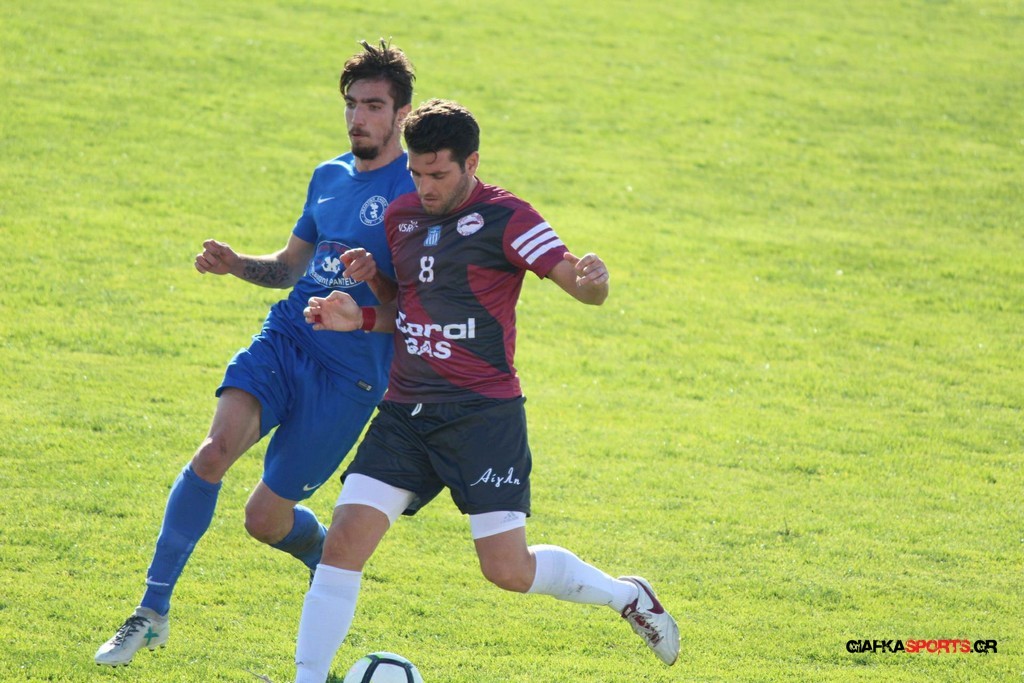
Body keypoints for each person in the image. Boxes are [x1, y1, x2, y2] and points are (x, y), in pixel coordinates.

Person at [293, 99, 679, 682]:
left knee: (506, 569)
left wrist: (594, 282)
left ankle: (626, 595)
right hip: (405, 412)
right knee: (343, 544)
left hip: (481, 416)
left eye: (438, 174)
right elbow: (409, 307)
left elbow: (579, 286)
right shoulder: (402, 216)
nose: (424, 187)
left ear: (471, 163)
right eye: (417, 173)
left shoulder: (509, 217)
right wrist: (362, 315)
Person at [94, 40, 417, 667]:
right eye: (351, 104)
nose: (358, 118)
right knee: (213, 452)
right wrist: (236, 264)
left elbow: (419, 307)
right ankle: (151, 612)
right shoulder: (328, 176)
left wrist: (373, 282)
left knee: (264, 520)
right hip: (287, 339)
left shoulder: (416, 191)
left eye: (374, 106)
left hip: (349, 377)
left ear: (401, 113)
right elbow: (291, 266)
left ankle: (318, 551)